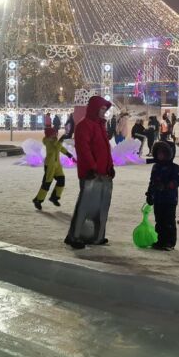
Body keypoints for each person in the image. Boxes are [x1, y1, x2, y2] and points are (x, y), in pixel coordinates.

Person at [65, 96, 115, 249]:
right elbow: (84, 149)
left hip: (103, 174)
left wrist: (110, 166)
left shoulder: (100, 126)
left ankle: (96, 236)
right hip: (90, 174)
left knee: (101, 207)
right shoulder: (84, 126)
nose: (104, 112)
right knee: (85, 206)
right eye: (101, 109)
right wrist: (92, 167)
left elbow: (105, 150)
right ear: (94, 109)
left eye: (105, 110)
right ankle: (75, 235)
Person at [145, 141, 179, 250]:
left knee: (169, 220)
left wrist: (166, 186)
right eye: (158, 153)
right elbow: (152, 181)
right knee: (159, 220)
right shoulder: (156, 167)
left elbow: (177, 181)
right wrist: (150, 193)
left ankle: (170, 242)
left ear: (169, 154)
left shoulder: (174, 167)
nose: (160, 155)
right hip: (158, 199)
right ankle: (161, 240)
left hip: (170, 199)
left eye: (163, 153)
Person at [33, 127, 72, 210]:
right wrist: (61, 140)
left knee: (61, 180)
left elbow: (60, 148)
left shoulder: (54, 140)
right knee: (47, 183)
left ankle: (54, 197)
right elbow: (57, 146)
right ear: (49, 134)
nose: (55, 134)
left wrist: (68, 153)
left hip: (57, 165)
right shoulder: (47, 141)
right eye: (54, 133)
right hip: (50, 165)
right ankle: (38, 200)